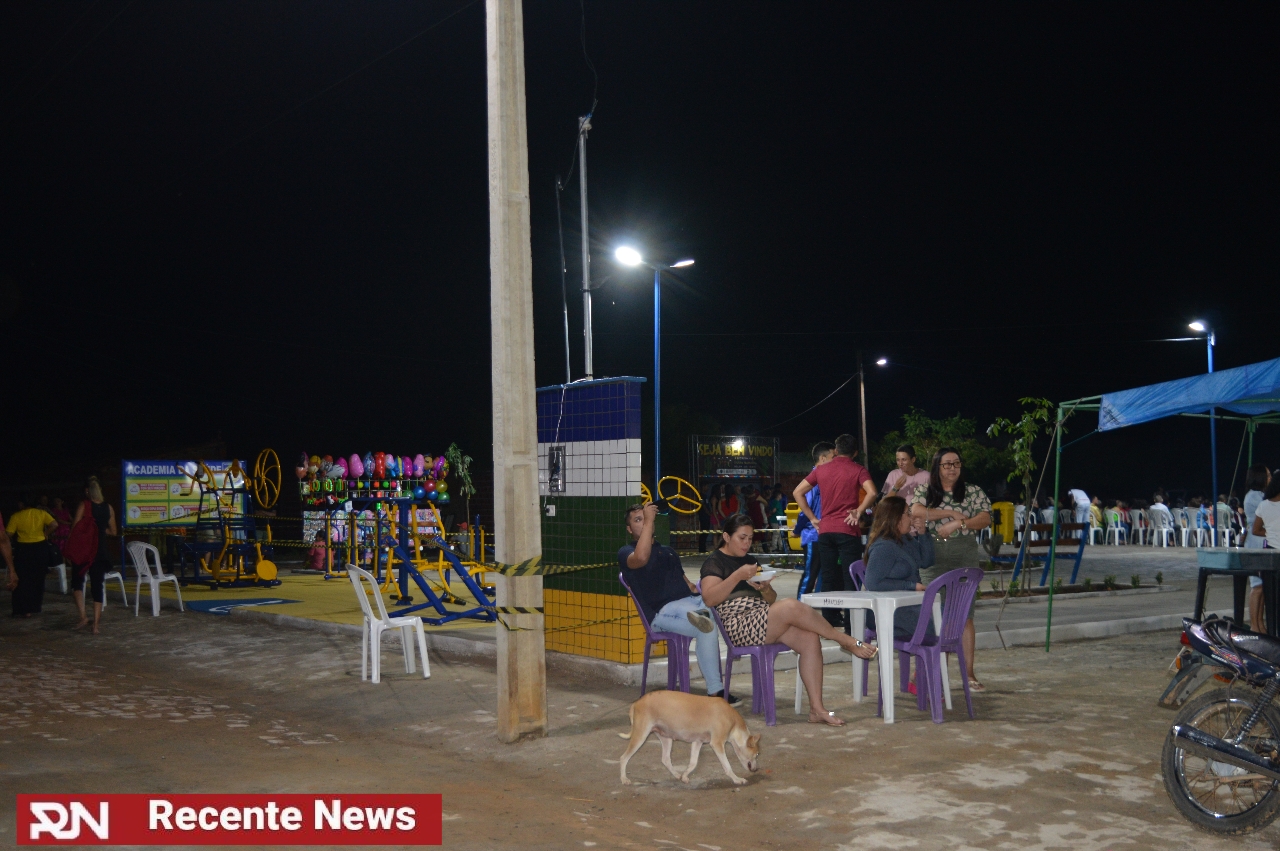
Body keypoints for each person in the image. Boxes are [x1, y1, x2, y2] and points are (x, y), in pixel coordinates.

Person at [700, 513, 876, 727]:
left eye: (750, 539)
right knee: (791, 605)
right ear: (727, 537)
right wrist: (737, 575)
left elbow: (771, 599)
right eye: (742, 538)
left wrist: (765, 589)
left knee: (810, 639)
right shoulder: (714, 562)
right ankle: (845, 640)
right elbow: (709, 598)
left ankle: (817, 709)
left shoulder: (749, 561)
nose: (747, 543)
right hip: (738, 625)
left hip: (762, 618)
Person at [620, 502, 738, 705]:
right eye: (638, 520)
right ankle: (716, 692)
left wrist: (709, 591)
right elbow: (642, 557)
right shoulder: (626, 552)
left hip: (689, 603)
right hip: (662, 613)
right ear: (630, 529)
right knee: (705, 624)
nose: (645, 522)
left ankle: (727, 637)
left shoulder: (668, 551)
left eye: (646, 518)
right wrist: (649, 521)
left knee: (717, 610)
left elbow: (688, 585)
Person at [909, 447, 991, 692]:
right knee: (933, 613)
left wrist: (959, 523)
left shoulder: (973, 491)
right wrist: (949, 512)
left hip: (963, 554)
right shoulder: (925, 490)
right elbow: (916, 511)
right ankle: (929, 671)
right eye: (947, 464)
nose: (952, 468)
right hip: (932, 556)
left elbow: (985, 518)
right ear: (937, 467)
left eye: (956, 463)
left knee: (965, 615)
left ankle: (969, 674)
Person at [793, 433, 876, 630]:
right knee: (850, 578)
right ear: (855, 453)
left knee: (828, 577)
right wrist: (858, 511)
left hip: (825, 530)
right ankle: (850, 625)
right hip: (847, 529)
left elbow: (797, 492)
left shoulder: (821, 470)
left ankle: (828, 621)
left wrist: (813, 518)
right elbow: (872, 492)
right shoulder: (858, 469)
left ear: (836, 450)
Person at [864, 496, 935, 641]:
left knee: (951, 615)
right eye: (907, 513)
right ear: (895, 518)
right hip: (888, 610)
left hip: (908, 604)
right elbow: (873, 583)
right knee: (940, 622)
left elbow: (926, 561)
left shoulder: (904, 539)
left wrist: (923, 534)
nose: (911, 517)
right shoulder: (883, 546)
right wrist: (912, 586)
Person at [69, 476, 118, 633]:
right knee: (97, 585)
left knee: (77, 582)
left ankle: (83, 616)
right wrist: (100, 530)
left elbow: (75, 527)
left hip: (84, 550)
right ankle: (96, 625)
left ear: (87, 491)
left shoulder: (84, 505)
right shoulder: (108, 508)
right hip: (100, 550)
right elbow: (114, 531)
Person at [5, 495, 57, 618]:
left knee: (22, 579)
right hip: (40, 548)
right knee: (37, 578)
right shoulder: (41, 513)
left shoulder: (16, 516)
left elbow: (9, 534)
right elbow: (54, 524)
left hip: (24, 549)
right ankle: (34, 607)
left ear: (21, 504)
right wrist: (45, 534)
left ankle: (23, 609)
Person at [795, 441, 835, 597]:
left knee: (824, 575)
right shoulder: (814, 480)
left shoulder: (825, 478)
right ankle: (798, 606)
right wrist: (798, 529)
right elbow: (804, 508)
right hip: (813, 534)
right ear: (823, 458)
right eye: (833, 457)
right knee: (810, 575)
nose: (836, 461)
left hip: (823, 533)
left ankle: (819, 605)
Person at [1244, 465, 1272, 631]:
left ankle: (1260, 624)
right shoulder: (1254, 496)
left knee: (1262, 587)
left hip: (1262, 541)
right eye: (1267, 476)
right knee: (1257, 586)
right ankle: (1255, 625)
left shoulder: (1260, 495)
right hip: (1256, 542)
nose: (1270, 479)